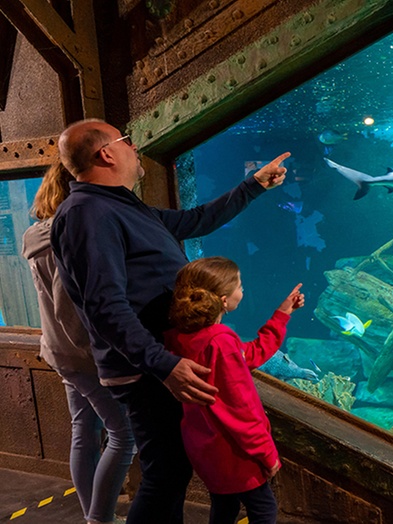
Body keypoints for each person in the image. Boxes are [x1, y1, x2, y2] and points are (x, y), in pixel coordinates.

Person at [50, 118, 290, 524]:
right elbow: (104, 305)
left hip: (160, 362)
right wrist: (165, 365)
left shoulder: (121, 205)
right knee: (164, 476)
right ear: (106, 153)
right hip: (148, 369)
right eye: (126, 141)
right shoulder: (87, 213)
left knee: (171, 473)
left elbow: (197, 220)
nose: (134, 147)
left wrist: (253, 185)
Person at [21, 162, 136, 524]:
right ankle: (100, 518)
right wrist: (105, 353)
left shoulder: (33, 235)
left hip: (58, 351)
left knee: (85, 429)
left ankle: (92, 514)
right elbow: (69, 306)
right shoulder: (71, 234)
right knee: (124, 435)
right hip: (85, 354)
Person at [165, 257, 304, 524]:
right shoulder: (221, 342)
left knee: (224, 505)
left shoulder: (181, 337)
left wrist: (282, 315)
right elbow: (242, 410)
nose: (244, 290)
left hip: (204, 449)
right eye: (240, 286)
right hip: (235, 453)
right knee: (264, 509)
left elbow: (249, 354)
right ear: (224, 300)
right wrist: (268, 454)